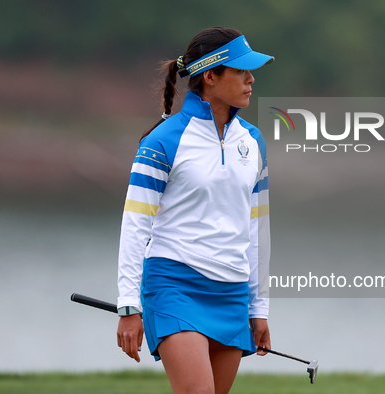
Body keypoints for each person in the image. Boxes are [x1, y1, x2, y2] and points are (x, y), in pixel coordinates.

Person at [116, 27, 273, 394]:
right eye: (240, 71)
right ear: (210, 76)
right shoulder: (163, 140)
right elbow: (135, 224)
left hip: (231, 292)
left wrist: (259, 306)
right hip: (174, 284)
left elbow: (257, 229)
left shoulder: (254, 142)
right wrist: (128, 306)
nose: (251, 79)